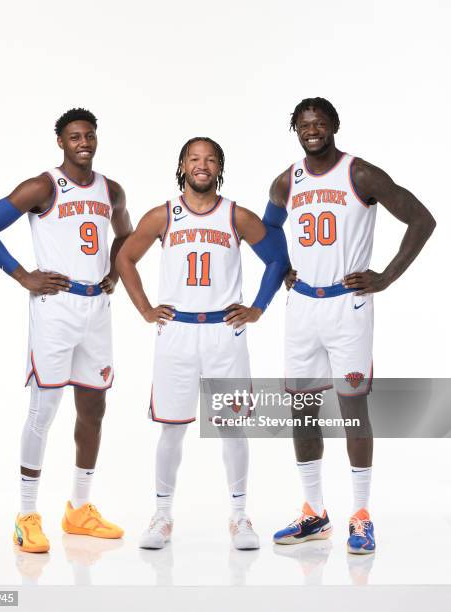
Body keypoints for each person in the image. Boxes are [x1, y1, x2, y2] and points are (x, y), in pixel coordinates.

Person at [265, 97, 435, 554]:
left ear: (334, 125)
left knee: (353, 411)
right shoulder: (287, 180)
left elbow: (422, 218)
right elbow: (267, 228)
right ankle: (314, 513)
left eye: (320, 122)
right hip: (302, 307)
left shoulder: (360, 173)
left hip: (347, 306)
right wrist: (281, 266)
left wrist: (387, 276)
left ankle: (360, 515)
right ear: (295, 130)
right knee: (302, 410)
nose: (312, 129)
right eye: (304, 124)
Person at [0, 108, 132, 553]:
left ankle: (79, 510)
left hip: (96, 309)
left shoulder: (111, 189)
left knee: (93, 409)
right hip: (55, 308)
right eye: (75, 136)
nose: (84, 142)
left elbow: (127, 238)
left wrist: (114, 274)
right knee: (44, 412)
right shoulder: (42, 186)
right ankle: (26, 516)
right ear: (60, 141)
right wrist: (23, 276)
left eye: (90, 135)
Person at [116, 137, 288, 550]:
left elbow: (278, 259)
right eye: (194, 158)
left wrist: (257, 308)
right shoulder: (163, 215)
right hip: (176, 332)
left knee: (232, 429)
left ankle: (240, 516)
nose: (202, 165)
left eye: (210, 159)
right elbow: (124, 258)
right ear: (182, 165)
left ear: (219, 168)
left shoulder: (236, 215)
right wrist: (144, 308)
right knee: (171, 430)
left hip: (222, 333)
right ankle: (161, 515)